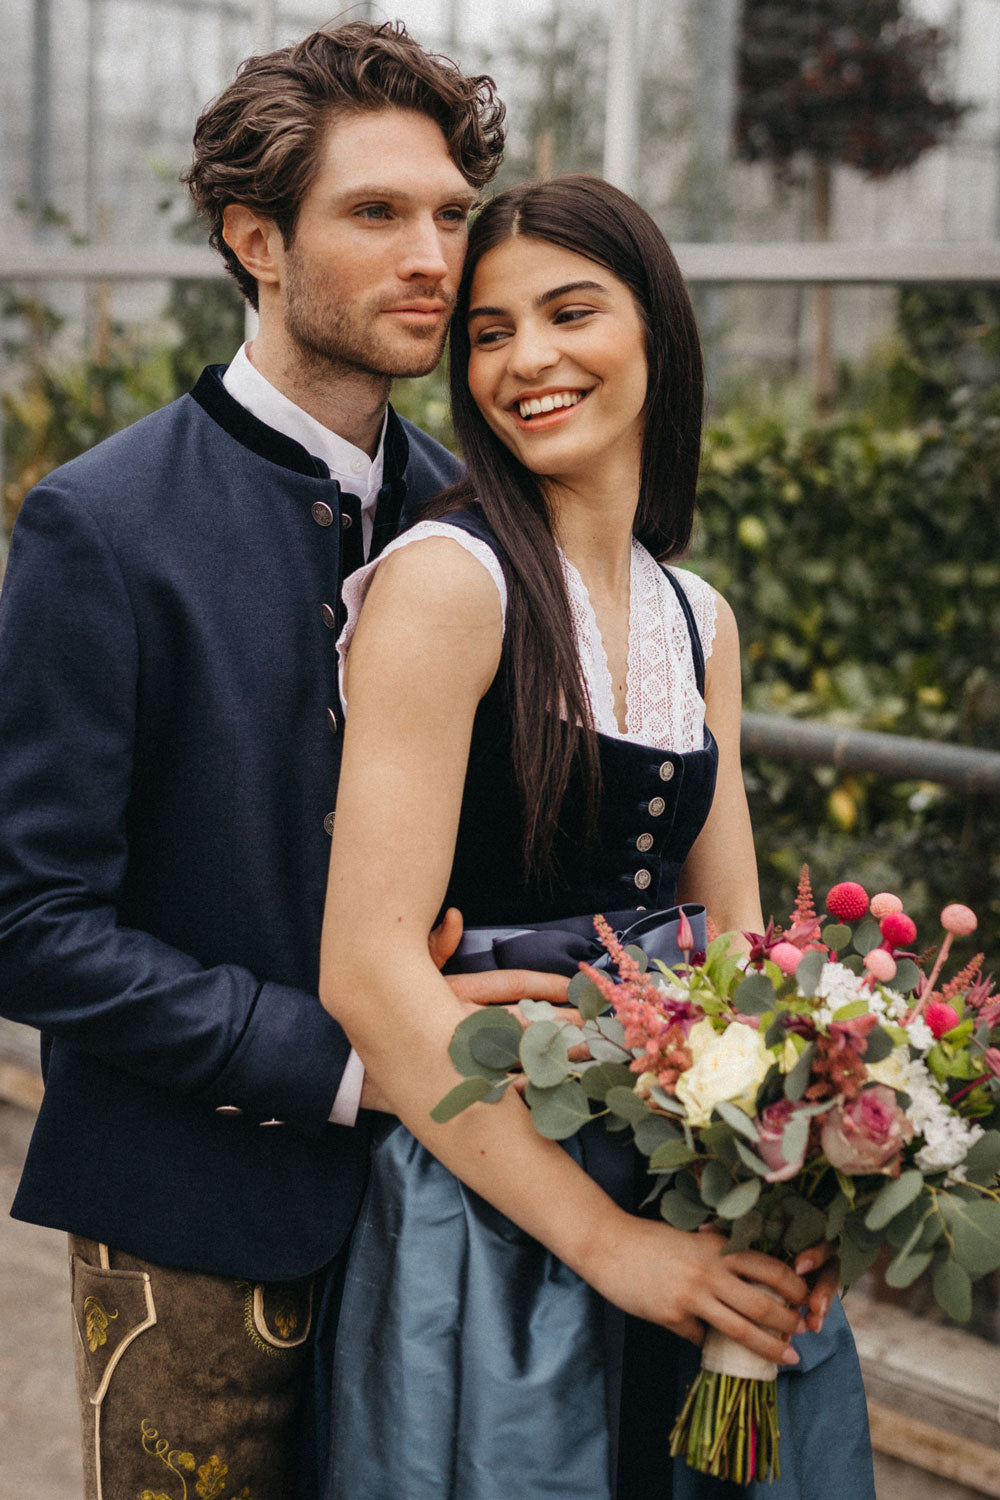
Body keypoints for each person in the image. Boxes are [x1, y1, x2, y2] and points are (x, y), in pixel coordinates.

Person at [0, 22, 572, 1500]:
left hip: (451, 1211)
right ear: (256, 239)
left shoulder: (482, 518)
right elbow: (30, 922)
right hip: (193, 1222)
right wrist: (341, 1059)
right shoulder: (99, 524)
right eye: (376, 214)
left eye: (451, 214)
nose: (434, 256)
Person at [319, 176, 875, 1498]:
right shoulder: (449, 584)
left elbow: (744, 950)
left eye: (572, 312)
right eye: (493, 332)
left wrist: (819, 1154)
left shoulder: (700, 620)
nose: (530, 360)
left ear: (658, 334)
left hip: (696, 1171)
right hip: (502, 1197)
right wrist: (619, 1248)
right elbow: (368, 967)